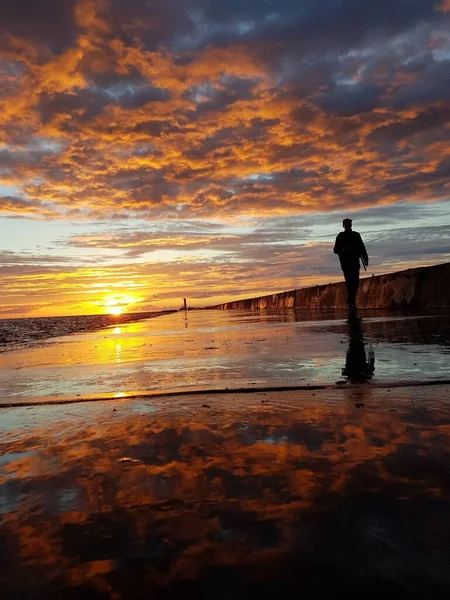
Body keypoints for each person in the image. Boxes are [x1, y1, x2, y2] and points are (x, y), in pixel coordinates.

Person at [333, 218, 368, 313]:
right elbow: (335, 250)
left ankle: (351, 300)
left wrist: (365, 258)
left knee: (355, 282)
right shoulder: (340, 236)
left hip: (355, 261)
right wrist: (344, 249)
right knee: (349, 281)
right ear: (343, 225)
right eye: (346, 224)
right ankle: (351, 302)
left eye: (349, 224)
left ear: (351, 225)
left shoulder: (356, 235)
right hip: (345, 263)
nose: (348, 225)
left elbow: (362, 247)